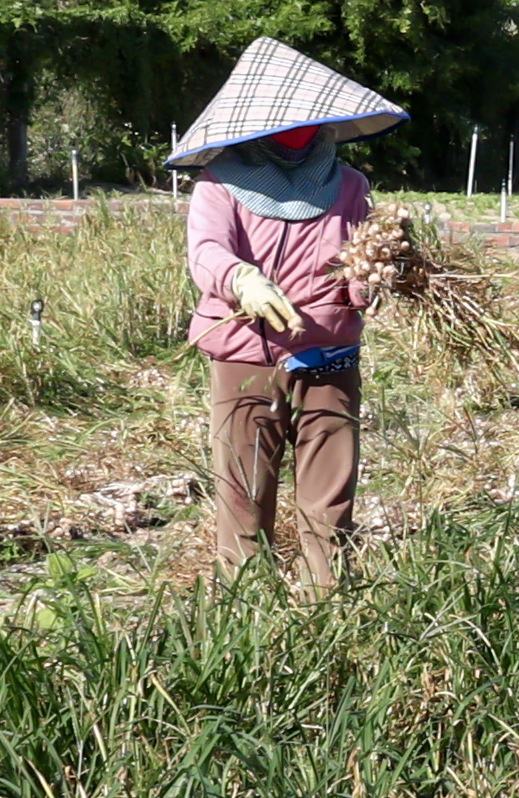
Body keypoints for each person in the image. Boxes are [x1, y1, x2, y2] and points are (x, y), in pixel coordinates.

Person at [171, 38, 407, 594]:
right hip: (247, 356)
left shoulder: (349, 185)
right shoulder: (219, 184)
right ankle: (249, 600)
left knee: (330, 489)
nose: (301, 135)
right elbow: (205, 252)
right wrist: (240, 278)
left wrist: (375, 279)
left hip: (331, 354)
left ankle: (327, 599)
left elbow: (356, 267)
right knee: (244, 485)